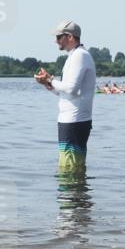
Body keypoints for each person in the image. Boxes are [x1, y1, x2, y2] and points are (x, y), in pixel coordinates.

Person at [34, 20, 96, 173]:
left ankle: (71, 197)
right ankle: (76, 196)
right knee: (72, 167)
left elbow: (71, 88)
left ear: (69, 36)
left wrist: (50, 79)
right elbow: (66, 91)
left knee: (69, 169)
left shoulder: (80, 55)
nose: (55, 41)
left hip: (74, 121)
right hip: (72, 120)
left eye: (58, 37)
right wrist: (48, 84)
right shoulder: (74, 55)